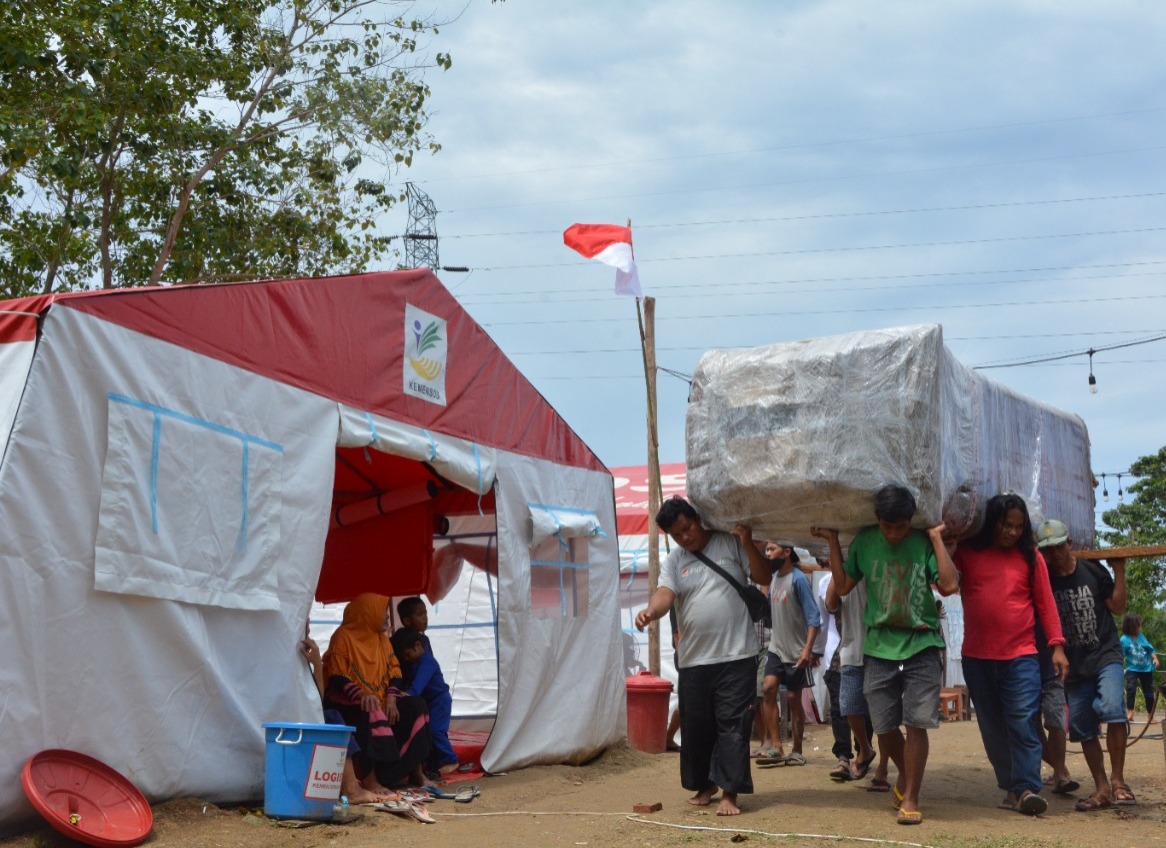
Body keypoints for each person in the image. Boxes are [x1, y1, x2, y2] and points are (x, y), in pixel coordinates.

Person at [812, 484, 959, 826]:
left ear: (911, 521)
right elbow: (844, 586)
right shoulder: (865, 541)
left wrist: (936, 538)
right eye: (887, 527)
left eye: (901, 527)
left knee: (917, 723)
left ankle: (911, 796)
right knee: (883, 724)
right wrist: (834, 543)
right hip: (878, 648)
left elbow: (950, 586)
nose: (893, 535)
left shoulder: (922, 542)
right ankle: (907, 776)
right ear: (877, 520)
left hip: (922, 644)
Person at [634, 496, 761, 816]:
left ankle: (731, 793)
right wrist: (651, 611)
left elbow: (764, 576)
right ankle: (706, 785)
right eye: (677, 535)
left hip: (736, 655)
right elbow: (665, 594)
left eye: (687, 528)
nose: (685, 537)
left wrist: (747, 542)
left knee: (733, 725)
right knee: (696, 727)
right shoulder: (675, 561)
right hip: (694, 660)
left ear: (698, 519)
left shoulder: (729, 543)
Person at [950, 493, 1068, 815]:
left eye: (1018, 526)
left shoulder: (1031, 557)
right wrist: (945, 536)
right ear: (992, 523)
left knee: (1024, 721)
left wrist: (1057, 646)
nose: (1013, 532)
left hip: (1021, 656)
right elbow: (944, 580)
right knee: (992, 726)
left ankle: (1028, 787)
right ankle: (1011, 788)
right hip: (977, 657)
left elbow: (1046, 603)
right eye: (1006, 525)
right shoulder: (967, 552)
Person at [1036, 518, 1133, 810]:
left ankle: (1118, 781)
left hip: (1106, 654)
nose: (1053, 555)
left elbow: (1117, 607)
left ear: (1070, 544)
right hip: (1074, 665)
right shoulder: (1044, 580)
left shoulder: (1092, 571)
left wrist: (1119, 571)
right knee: (1081, 726)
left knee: (1114, 707)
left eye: (1057, 547)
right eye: (1047, 550)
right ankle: (1102, 788)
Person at [322, 593, 434, 789]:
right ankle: (371, 779)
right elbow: (336, 677)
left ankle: (416, 773)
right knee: (369, 708)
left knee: (417, 705)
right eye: (383, 612)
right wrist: (362, 694)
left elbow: (395, 672)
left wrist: (391, 698)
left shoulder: (382, 640)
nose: (387, 617)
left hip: (381, 700)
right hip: (351, 703)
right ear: (368, 613)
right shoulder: (342, 637)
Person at [299, 630, 394, 803]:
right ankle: (351, 789)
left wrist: (317, 665)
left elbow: (317, 700)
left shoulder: (383, 643)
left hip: (311, 714)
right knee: (334, 718)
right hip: (297, 719)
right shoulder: (343, 639)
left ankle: (370, 780)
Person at [823, 571, 886, 787]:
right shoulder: (844, 574)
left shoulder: (879, 570)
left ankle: (882, 769)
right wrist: (837, 568)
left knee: (883, 715)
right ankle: (863, 751)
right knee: (847, 706)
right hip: (850, 650)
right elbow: (830, 604)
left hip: (882, 650)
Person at [759, 541, 820, 767]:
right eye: (766, 550)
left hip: (796, 652)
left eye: (772, 549)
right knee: (768, 689)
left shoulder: (799, 579)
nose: (768, 553)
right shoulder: (773, 578)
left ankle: (797, 749)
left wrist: (808, 649)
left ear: (786, 552)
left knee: (794, 699)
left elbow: (814, 619)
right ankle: (776, 746)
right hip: (776, 648)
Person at [391, 627, 459, 776]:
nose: (406, 659)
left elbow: (417, 686)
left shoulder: (427, 661)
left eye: (407, 655)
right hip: (428, 702)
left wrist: (406, 694)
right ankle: (435, 764)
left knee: (436, 731)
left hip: (439, 701)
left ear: (417, 646)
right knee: (430, 733)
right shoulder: (412, 662)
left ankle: (451, 760)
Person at [1120, 613, 1159, 723]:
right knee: (1131, 688)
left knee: (1148, 692)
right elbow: (1121, 654)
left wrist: (1155, 659)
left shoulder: (1141, 637)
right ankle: (1130, 712)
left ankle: (1150, 716)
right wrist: (1119, 666)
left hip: (1146, 669)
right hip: (1132, 668)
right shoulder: (1124, 639)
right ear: (1132, 626)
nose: (1140, 627)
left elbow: (1150, 649)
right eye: (1139, 625)